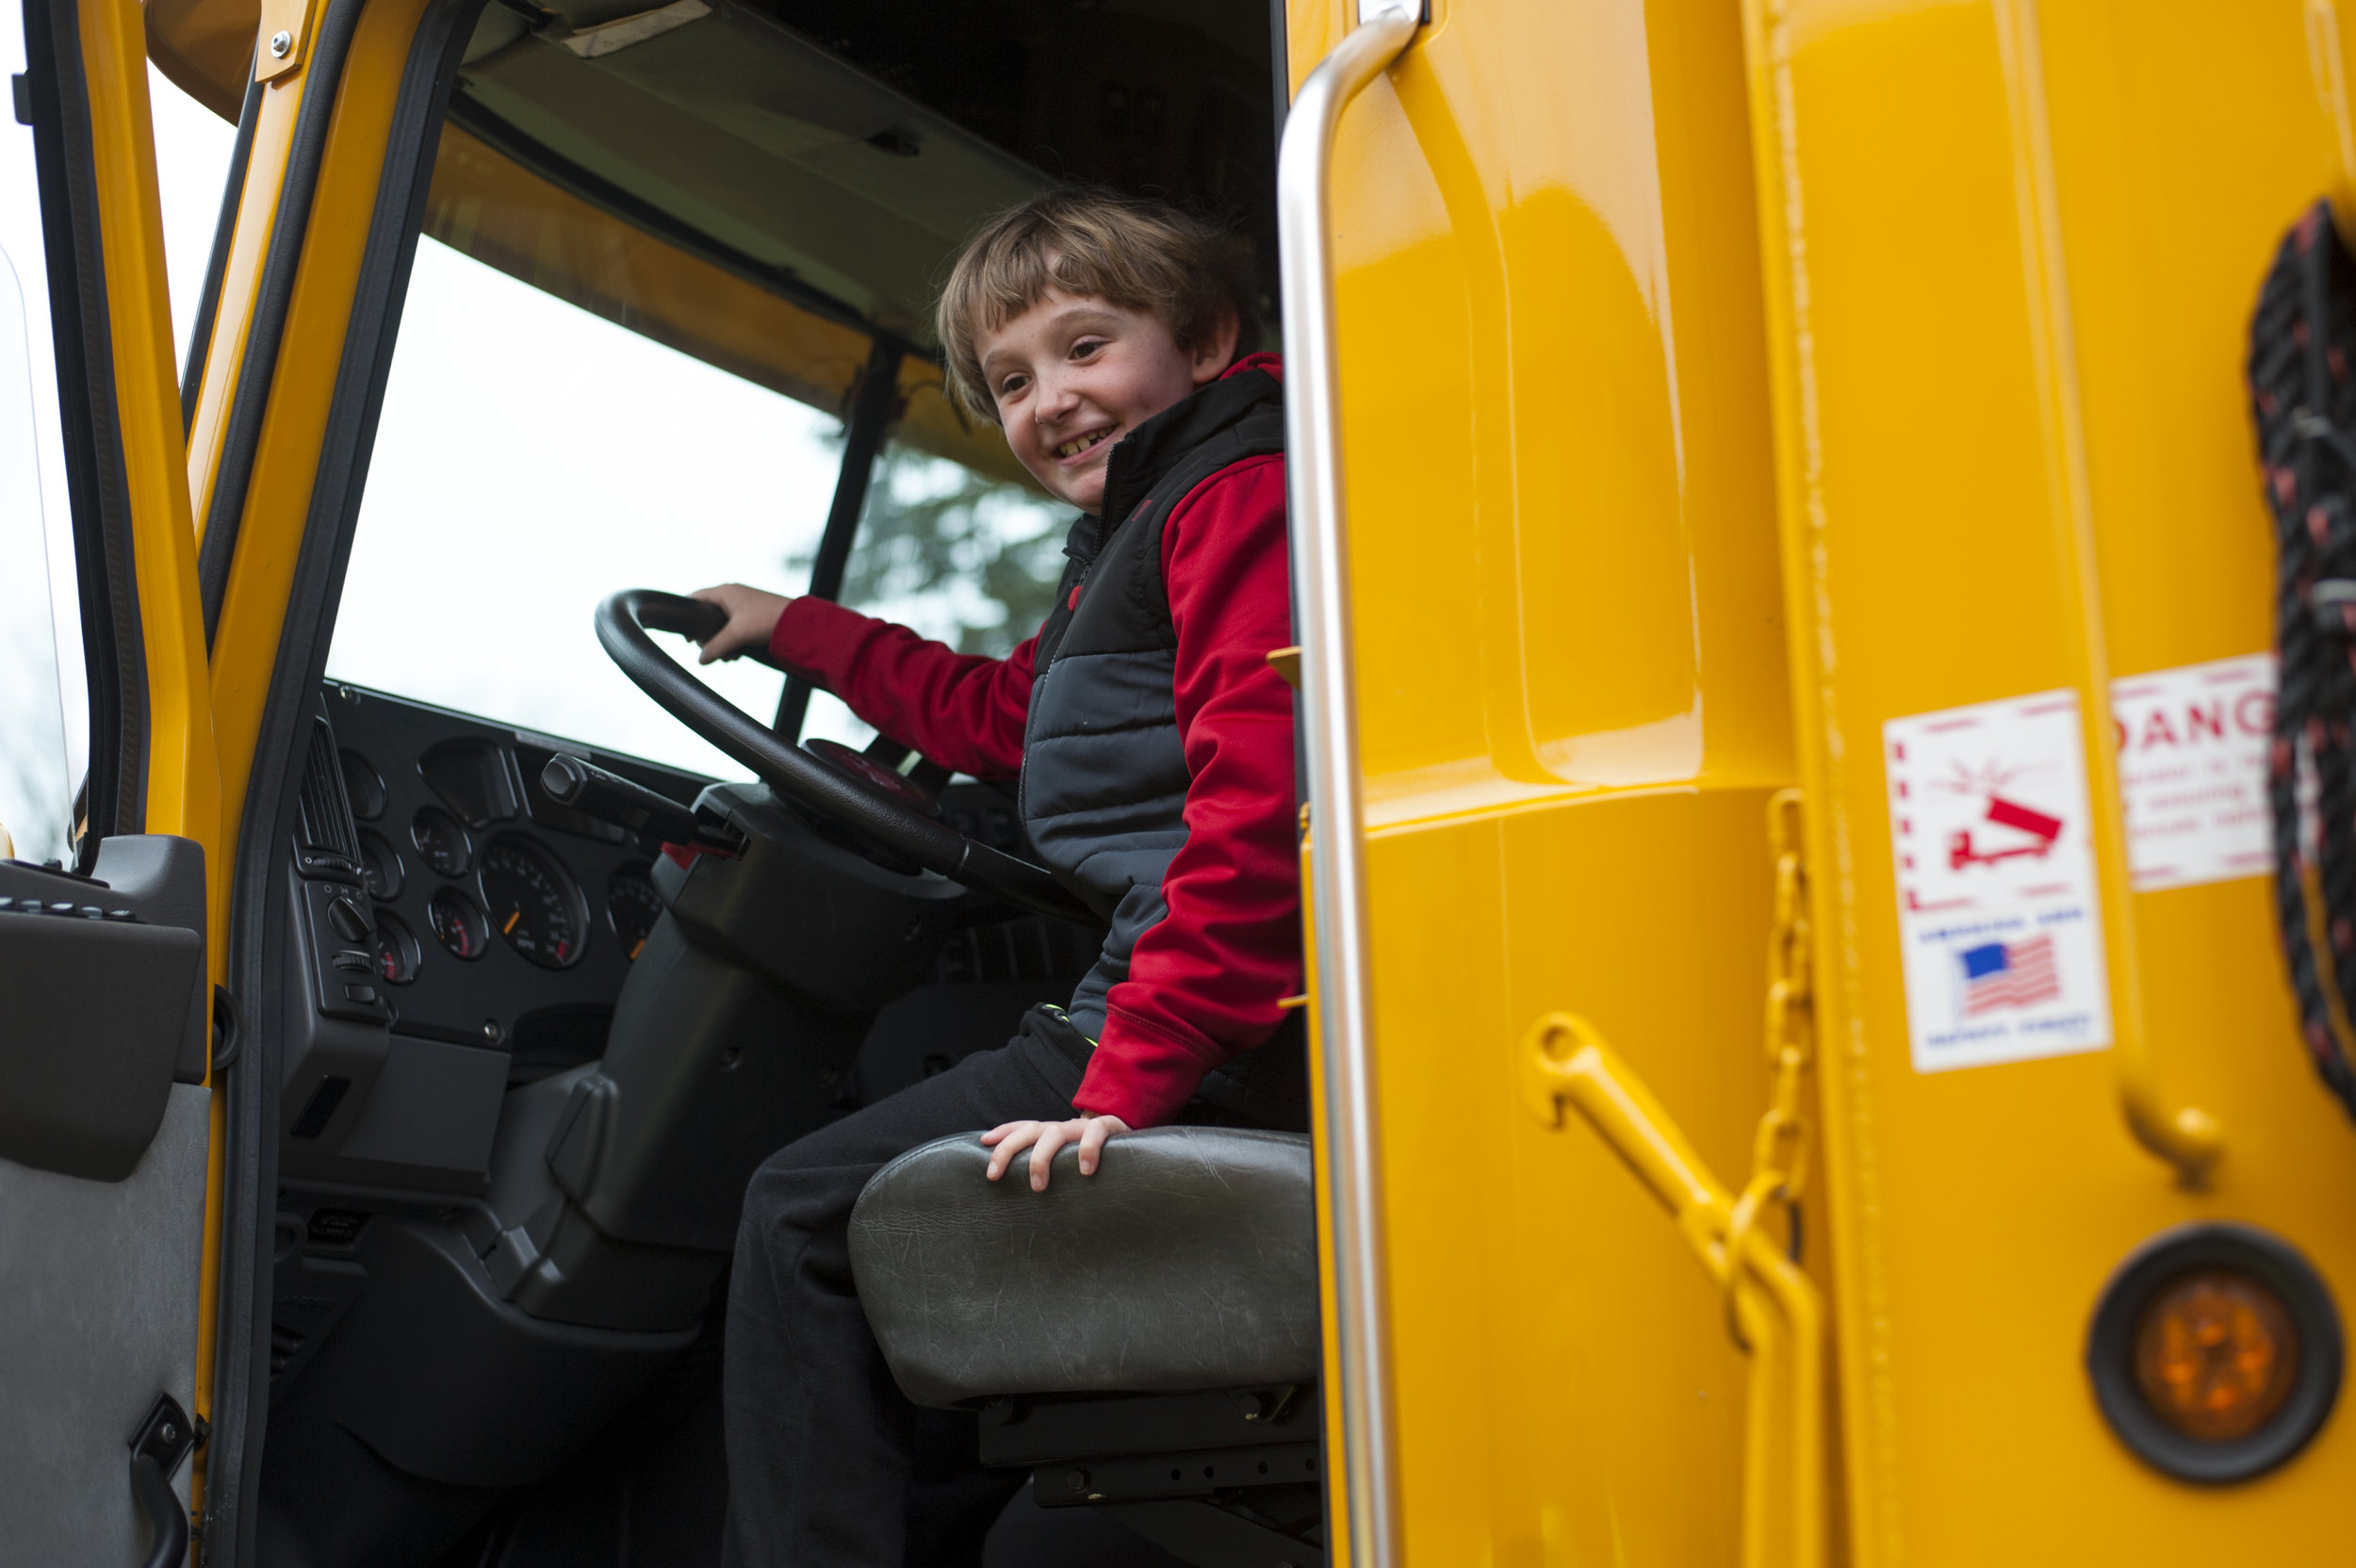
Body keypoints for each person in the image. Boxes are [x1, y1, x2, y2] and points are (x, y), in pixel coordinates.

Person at [689, 187, 1305, 1565]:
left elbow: (1261, 819)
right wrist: (799, 627)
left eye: (1087, 349)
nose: (1051, 403)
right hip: (1176, 1000)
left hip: (1206, 1016)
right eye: (1015, 381)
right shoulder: (1147, 523)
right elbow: (1011, 723)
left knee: (803, 1212)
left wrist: (1125, 1077)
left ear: (1204, 340)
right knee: (904, 1124)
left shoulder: (1231, 494)